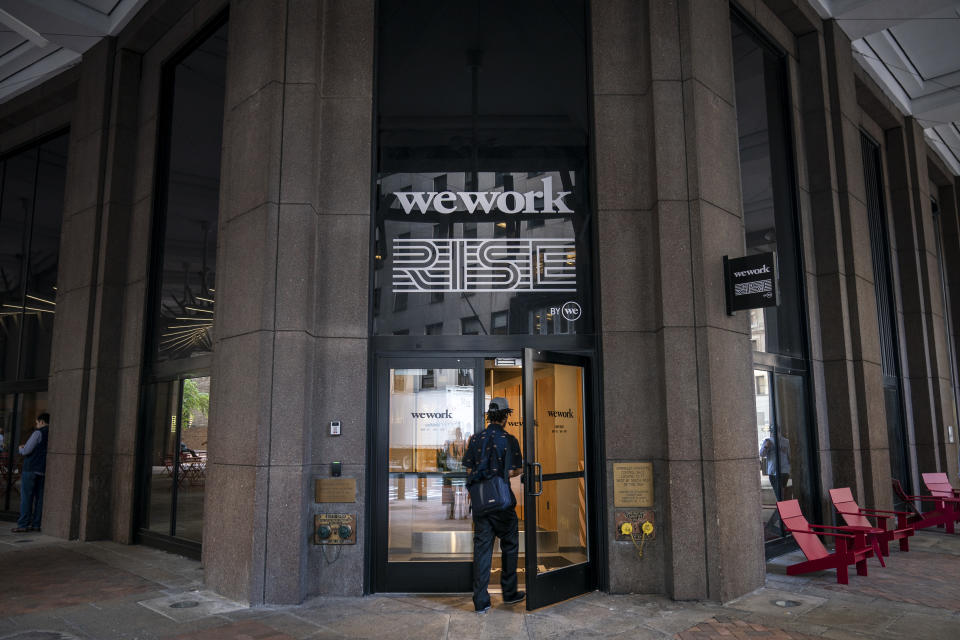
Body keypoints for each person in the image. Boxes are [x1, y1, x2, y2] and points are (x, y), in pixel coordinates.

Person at [462, 397, 524, 614]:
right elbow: (514, 471)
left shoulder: (475, 439)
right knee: (510, 545)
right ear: (506, 416)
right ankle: (509, 593)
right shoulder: (509, 440)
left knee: (482, 550)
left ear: (489, 416)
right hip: (502, 504)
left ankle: (481, 601)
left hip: (481, 505)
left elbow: (469, 470)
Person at [13, 413, 49, 533]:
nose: (37, 425)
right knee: (39, 499)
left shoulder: (38, 433)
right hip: (43, 470)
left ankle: (23, 524)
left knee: (26, 498)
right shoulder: (52, 433)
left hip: (30, 469)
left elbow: (27, 450)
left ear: (42, 422)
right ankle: (36, 524)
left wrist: (20, 448)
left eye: (37, 423)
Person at [759, 433, 791, 501]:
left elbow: (789, 455)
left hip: (784, 471)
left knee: (779, 494)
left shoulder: (786, 441)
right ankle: (782, 509)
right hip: (773, 471)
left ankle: (782, 510)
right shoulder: (767, 441)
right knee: (779, 494)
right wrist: (766, 446)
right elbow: (762, 454)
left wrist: (789, 468)